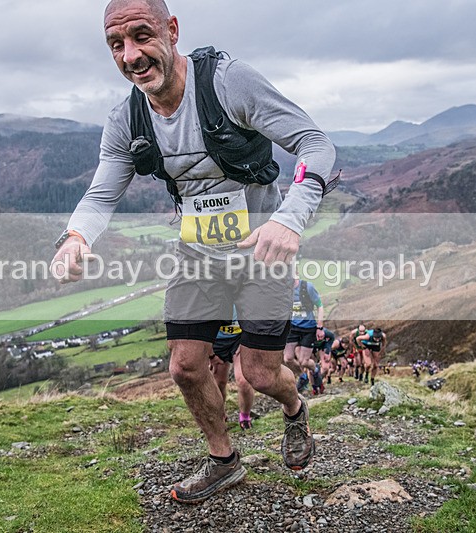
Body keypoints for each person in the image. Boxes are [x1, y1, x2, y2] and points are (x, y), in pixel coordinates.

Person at [51, 0, 336, 504]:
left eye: (142, 36)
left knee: (259, 373)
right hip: (197, 254)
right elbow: (100, 195)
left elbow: (316, 143)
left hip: (261, 252)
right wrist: (75, 237)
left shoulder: (228, 83)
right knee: (184, 366)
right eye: (116, 44)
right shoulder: (127, 119)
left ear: (173, 30)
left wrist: (289, 219)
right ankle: (224, 460)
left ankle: (294, 409)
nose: (130, 55)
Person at [209, 312, 255, 430]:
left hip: (240, 338)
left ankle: (245, 416)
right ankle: (219, 416)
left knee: (244, 381)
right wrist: (210, 354)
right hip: (216, 340)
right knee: (218, 383)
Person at [283, 275, 326, 376]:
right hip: (292, 327)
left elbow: (320, 306)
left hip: (308, 328)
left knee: (303, 362)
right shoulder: (284, 289)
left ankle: (315, 369)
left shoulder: (307, 287)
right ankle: (303, 376)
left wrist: (320, 327)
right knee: (288, 359)